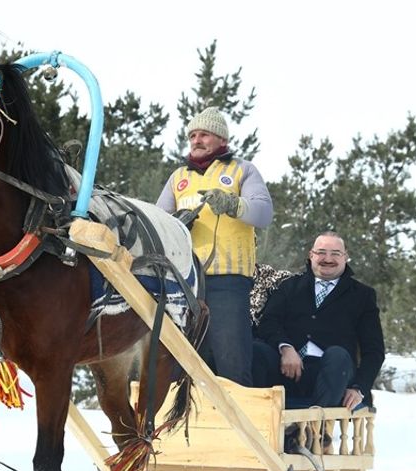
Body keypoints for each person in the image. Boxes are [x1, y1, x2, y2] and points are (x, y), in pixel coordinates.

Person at [156, 106, 273, 386]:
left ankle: (237, 412)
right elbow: (157, 221)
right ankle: (176, 413)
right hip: (185, 281)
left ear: (222, 139)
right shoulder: (178, 177)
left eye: (204, 134)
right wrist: (175, 223)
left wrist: (233, 204)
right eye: (192, 135)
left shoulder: (242, 169)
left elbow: (264, 213)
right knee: (177, 360)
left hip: (228, 280)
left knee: (231, 361)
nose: (196, 140)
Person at [252, 232, 386, 413]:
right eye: (321, 252)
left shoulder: (362, 295)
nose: (328, 259)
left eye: (335, 253)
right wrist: (286, 348)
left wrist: (358, 388)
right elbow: (269, 322)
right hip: (287, 371)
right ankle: (258, 419)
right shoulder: (289, 286)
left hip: (333, 376)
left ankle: (315, 427)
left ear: (345, 257)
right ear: (311, 255)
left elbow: (374, 351)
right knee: (256, 350)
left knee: (338, 355)